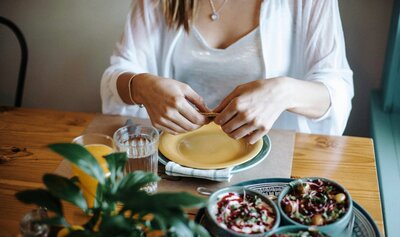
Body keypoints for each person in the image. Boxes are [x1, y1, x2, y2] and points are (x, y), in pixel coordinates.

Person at [101, 0, 353, 144]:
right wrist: (142, 86)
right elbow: (119, 71)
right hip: (177, 157)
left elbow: (336, 88)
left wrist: (283, 92)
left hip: (272, 160)